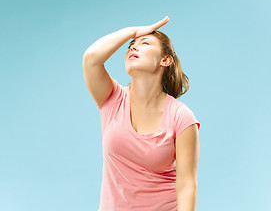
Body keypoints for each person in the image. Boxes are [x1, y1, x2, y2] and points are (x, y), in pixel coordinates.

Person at [82, 16, 201, 211]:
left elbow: (186, 186)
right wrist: (132, 31)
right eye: (131, 45)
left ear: (165, 60)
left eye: (145, 43)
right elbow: (91, 58)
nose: (133, 48)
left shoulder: (182, 117)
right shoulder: (112, 99)